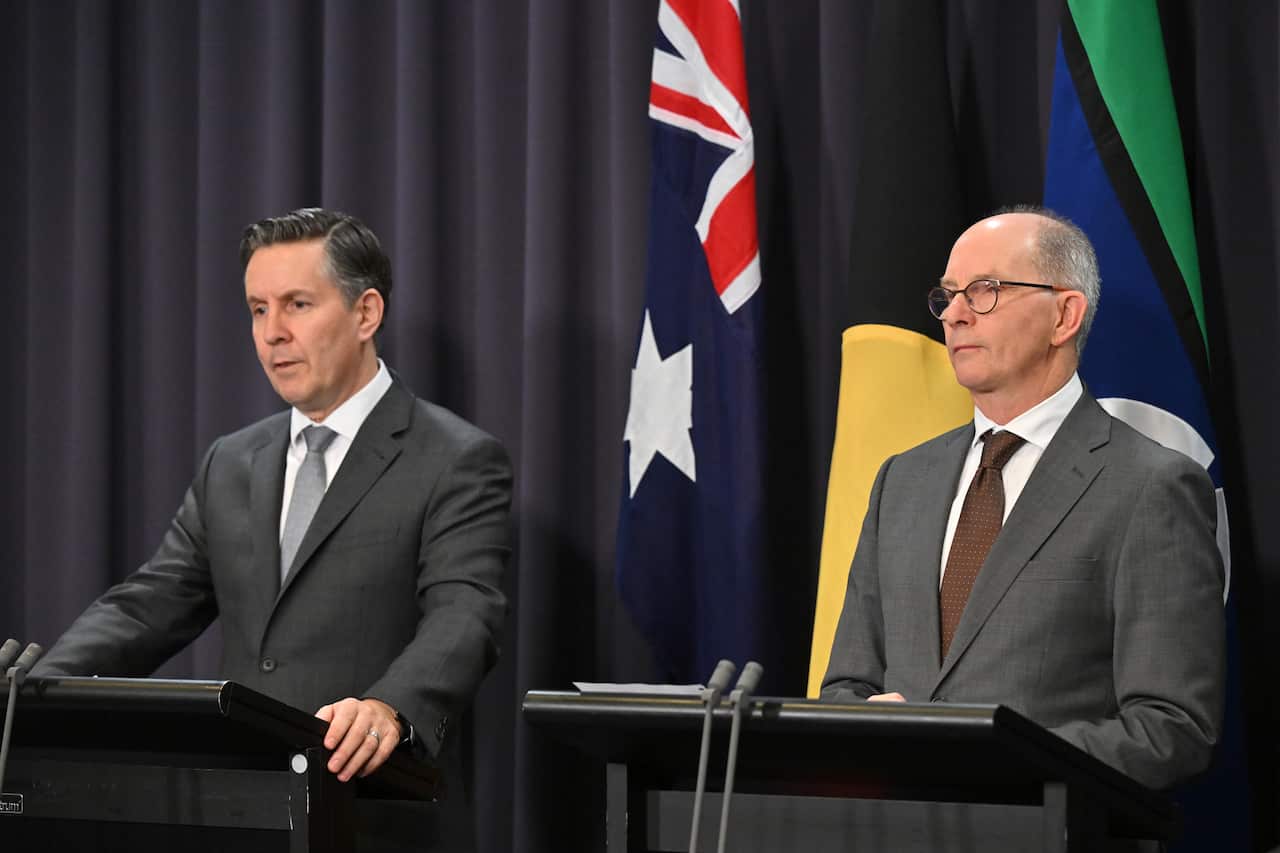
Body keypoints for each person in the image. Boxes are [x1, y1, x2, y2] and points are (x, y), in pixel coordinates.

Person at [34, 208, 511, 847]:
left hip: (371, 811)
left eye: (297, 305)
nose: (273, 333)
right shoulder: (232, 461)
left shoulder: (454, 457)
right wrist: (35, 690)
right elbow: (150, 605)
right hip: (239, 813)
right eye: (258, 309)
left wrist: (388, 708)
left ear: (366, 314)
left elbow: (465, 613)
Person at [821, 208, 1225, 791]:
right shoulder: (902, 481)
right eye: (947, 295)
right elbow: (847, 687)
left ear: (1065, 314)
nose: (955, 315)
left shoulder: (1151, 486)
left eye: (984, 291)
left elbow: (1171, 729)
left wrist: (987, 758)